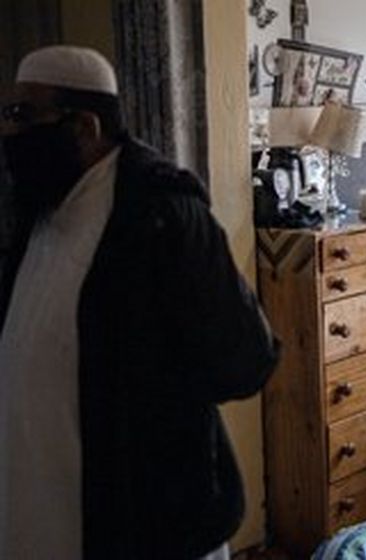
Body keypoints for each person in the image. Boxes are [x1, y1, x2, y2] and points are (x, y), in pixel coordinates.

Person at [0, 46, 279, 560]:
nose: (11, 133)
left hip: (146, 511)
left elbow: (244, 360)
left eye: (23, 115)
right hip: (38, 495)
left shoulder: (165, 215)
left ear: (84, 126)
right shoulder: (37, 207)